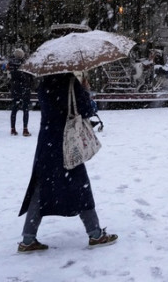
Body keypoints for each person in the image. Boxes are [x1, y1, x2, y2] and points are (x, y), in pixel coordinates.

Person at [17, 72, 117, 252]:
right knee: (80, 186)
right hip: (67, 144)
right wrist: (85, 91)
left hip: (47, 143)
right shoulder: (71, 84)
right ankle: (95, 234)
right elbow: (88, 110)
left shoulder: (44, 83)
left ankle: (28, 238)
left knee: (41, 189)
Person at [8, 49, 35, 136]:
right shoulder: (26, 63)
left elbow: (9, 76)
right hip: (25, 88)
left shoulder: (11, 64)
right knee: (25, 109)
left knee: (14, 109)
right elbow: (31, 76)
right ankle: (25, 129)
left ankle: (12, 129)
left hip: (15, 88)